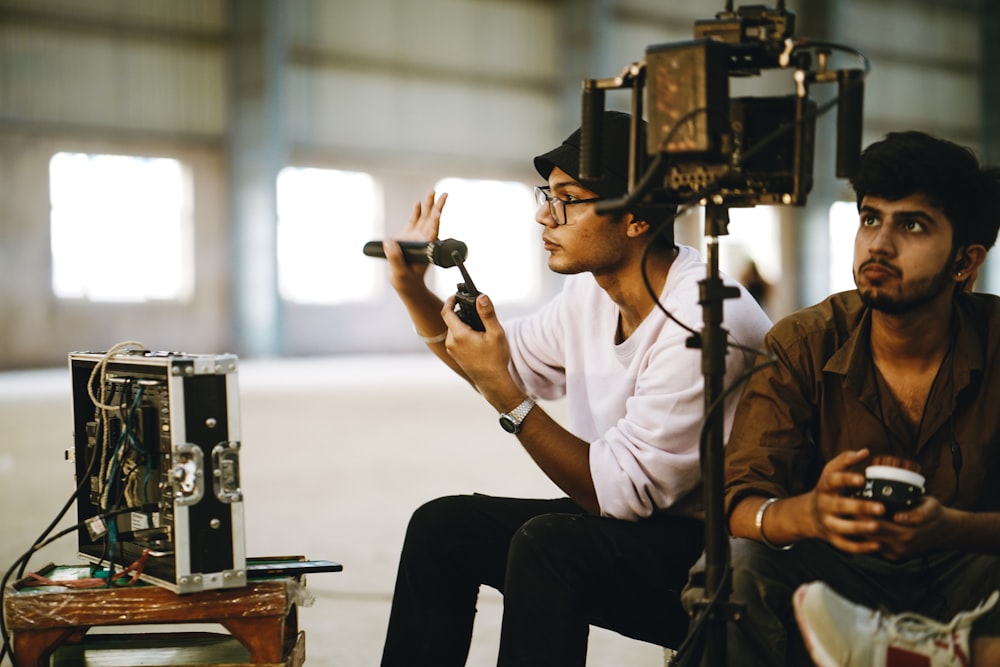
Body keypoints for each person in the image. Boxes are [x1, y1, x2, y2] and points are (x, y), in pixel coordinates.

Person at [377, 110, 773, 666]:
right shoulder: (593, 296)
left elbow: (616, 494)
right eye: (547, 195)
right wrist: (413, 287)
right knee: (443, 527)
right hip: (640, 522)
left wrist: (507, 399)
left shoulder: (703, 319)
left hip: (718, 560)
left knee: (549, 545)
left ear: (634, 218)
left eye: (566, 198)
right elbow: (498, 364)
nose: (544, 215)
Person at [681, 130, 1000, 666]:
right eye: (871, 218)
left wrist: (951, 527)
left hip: (969, 573)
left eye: (913, 225)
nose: (879, 244)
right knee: (734, 572)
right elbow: (739, 501)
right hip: (834, 582)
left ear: (965, 263)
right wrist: (812, 513)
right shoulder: (803, 342)